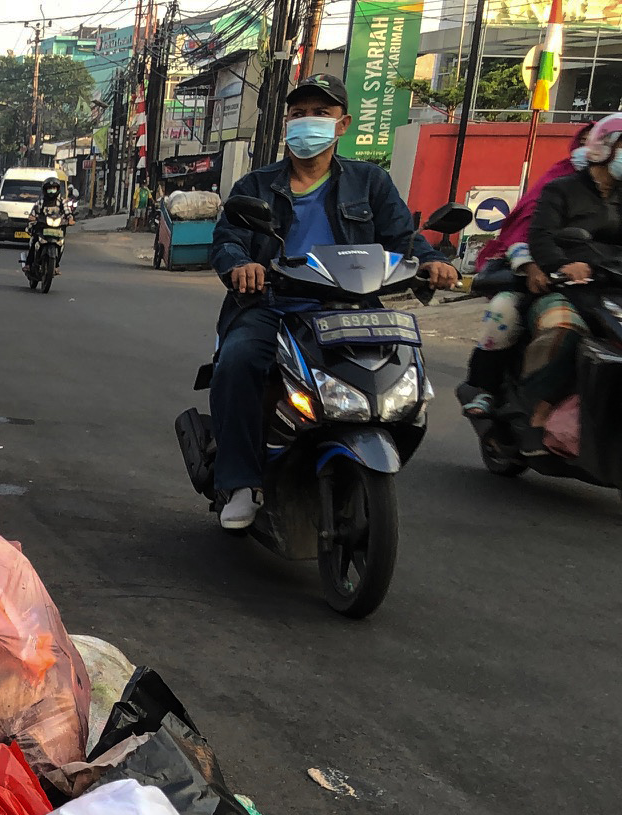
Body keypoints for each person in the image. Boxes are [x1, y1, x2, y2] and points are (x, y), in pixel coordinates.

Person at [207, 73, 457, 529]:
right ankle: (241, 481)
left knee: (405, 366)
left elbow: (403, 237)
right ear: (286, 124)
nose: (308, 123)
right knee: (238, 361)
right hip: (274, 305)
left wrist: (432, 262)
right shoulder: (255, 186)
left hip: (353, 307)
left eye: (320, 114)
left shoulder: (370, 182)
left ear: (342, 126)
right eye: (299, 114)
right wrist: (242, 265)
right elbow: (227, 241)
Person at [462, 122, 593, 417]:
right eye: (586, 141)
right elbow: (526, 232)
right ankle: (487, 389)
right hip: (541, 274)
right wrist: (533, 266)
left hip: (598, 285)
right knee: (505, 310)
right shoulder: (558, 184)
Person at [517, 111, 622, 440]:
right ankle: (542, 405)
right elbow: (541, 238)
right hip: (566, 288)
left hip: (611, 288)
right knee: (567, 331)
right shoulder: (561, 189)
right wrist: (562, 266)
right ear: (603, 148)